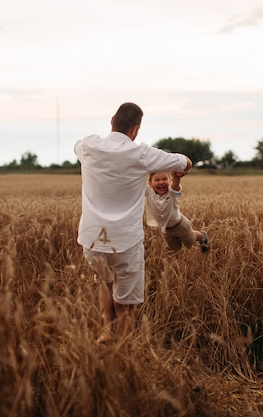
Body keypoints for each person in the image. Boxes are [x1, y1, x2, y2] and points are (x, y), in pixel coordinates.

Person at [74, 102, 192, 344]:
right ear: (135, 130)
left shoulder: (87, 145)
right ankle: (123, 349)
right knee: (126, 301)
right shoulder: (142, 154)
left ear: (111, 121)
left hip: (92, 239)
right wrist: (179, 166)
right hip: (125, 240)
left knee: (104, 283)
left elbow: (77, 147)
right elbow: (185, 162)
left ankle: (107, 332)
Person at [145, 171, 210, 254]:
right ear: (150, 184)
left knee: (190, 242)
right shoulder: (148, 192)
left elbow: (175, 185)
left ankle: (201, 236)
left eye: (165, 179)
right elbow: (138, 181)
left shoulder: (171, 192)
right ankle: (168, 261)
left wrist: (176, 176)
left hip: (180, 225)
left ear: (170, 181)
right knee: (175, 248)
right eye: (157, 180)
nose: (161, 182)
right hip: (165, 229)